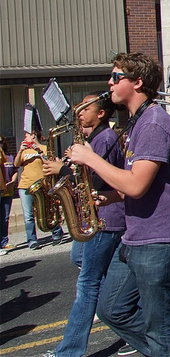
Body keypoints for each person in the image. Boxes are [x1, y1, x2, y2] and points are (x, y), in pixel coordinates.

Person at [69, 52, 170, 357]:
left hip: (160, 239)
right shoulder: (138, 124)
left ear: (137, 83)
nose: (109, 83)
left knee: (159, 323)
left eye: (116, 77)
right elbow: (137, 184)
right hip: (137, 236)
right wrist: (108, 196)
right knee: (112, 308)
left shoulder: (152, 123)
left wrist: (90, 158)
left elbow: (137, 184)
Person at [43, 92, 126, 357]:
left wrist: (62, 170)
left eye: (84, 108)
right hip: (100, 217)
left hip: (105, 218)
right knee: (88, 268)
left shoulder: (104, 138)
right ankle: (132, 330)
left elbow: (95, 178)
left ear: (101, 113)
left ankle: (69, 352)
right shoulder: (95, 137)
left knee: (87, 285)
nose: (79, 112)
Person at [15, 130, 64, 249]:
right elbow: (16, 164)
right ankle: (32, 240)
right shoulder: (24, 150)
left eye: (26, 135)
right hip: (25, 185)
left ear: (33, 135)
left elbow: (49, 162)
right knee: (28, 215)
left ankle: (57, 232)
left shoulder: (44, 147)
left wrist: (40, 151)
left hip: (42, 184)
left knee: (47, 210)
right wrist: (21, 150)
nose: (25, 137)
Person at [0, 137, 15, 255]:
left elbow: (13, 169)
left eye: (1, 142)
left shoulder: (8, 156)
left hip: (6, 189)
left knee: (5, 217)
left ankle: (4, 241)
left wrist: (12, 181)